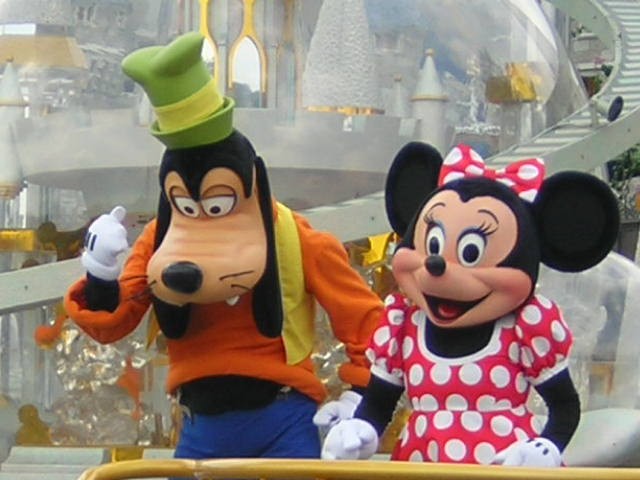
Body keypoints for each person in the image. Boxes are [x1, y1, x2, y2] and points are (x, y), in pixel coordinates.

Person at [64, 31, 382, 460]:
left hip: (284, 420)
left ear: (251, 181)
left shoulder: (294, 236)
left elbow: (365, 320)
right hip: (201, 427)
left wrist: (361, 401)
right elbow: (112, 322)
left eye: (217, 201)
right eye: (185, 202)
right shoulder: (161, 239)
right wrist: (101, 272)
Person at [321, 142, 619, 466]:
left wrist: (547, 446)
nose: (438, 266)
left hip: (501, 467)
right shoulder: (405, 323)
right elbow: (379, 403)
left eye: (470, 252)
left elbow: (564, 407)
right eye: (433, 244)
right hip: (423, 464)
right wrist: (362, 430)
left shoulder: (525, 326)